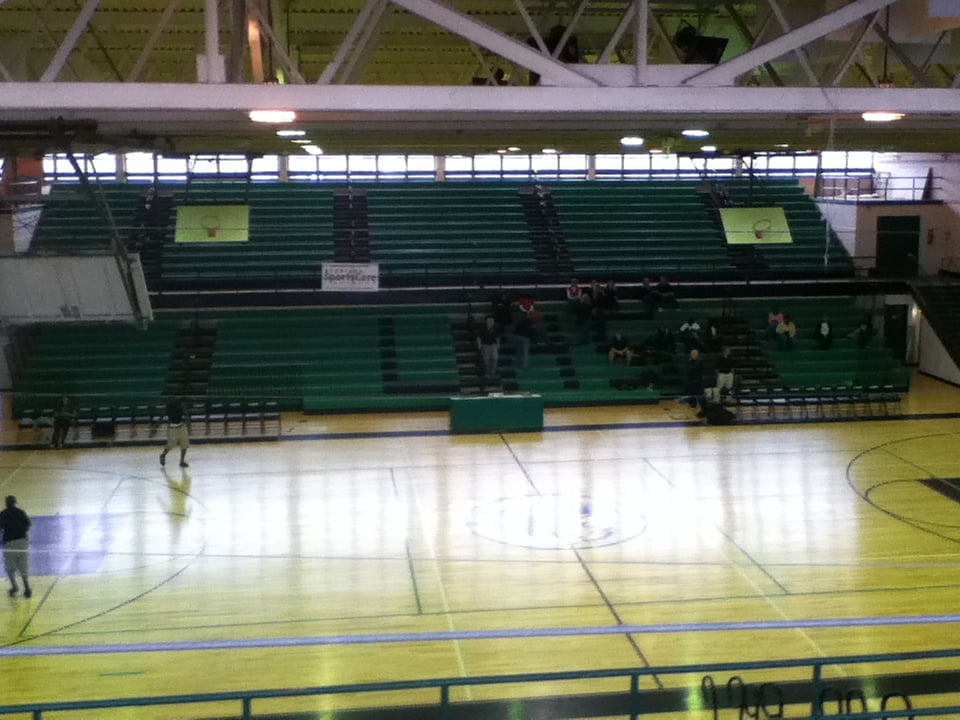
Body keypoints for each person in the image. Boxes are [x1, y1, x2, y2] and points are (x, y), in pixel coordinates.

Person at [1, 495, 32, 598]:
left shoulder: (3, 514)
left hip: (9, 544)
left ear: (6, 503)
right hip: (22, 542)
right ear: (15, 502)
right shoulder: (21, 512)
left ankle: (15, 587)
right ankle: (27, 588)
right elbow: (28, 524)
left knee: (10, 567)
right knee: (23, 566)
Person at [160, 396, 190, 468]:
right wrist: (156, 425)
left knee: (184, 444)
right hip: (172, 428)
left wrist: (187, 422)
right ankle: (163, 455)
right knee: (171, 444)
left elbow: (186, 415)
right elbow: (162, 416)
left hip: (182, 426)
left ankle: (182, 461)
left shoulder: (182, 408)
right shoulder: (170, 407)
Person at [684, 348, 705, 415]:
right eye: (692, 353)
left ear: (697, 354)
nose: (693, 355)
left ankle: (702, 405)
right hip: (690, 379)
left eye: (695, 353)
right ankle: (692, 405)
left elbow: (698, 369)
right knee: (691, 393)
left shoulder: (700, 361)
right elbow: (688, 369)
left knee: (699, 393)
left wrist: (693, 367)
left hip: (698, 379)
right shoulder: (689, 361)